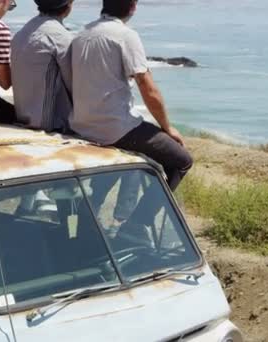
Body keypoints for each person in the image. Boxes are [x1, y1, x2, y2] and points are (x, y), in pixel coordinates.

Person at [70, 0, 193, 223]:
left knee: (112, 172)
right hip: (114, 127)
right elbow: (148, 88)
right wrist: (168, 127)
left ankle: (89, 224)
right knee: (181, 160)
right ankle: (136, 227)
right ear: (133, 7)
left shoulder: (81, 35)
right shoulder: (125, 35)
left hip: (81, 124)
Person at [11, 0, 74, 132]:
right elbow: (74, 84)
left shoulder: (25, 29)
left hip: (22, 114)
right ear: (68, 6)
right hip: (48, 123)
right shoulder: (60, 36)